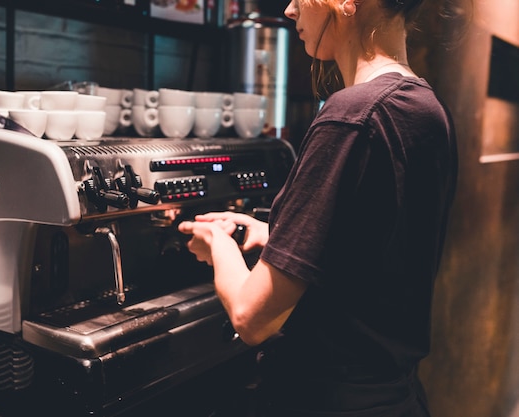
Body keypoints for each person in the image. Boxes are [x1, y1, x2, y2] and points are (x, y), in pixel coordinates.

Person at [177, 0, 459, 415]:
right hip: (395, 398)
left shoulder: (351, 114)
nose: (290, 10)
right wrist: (275, 235)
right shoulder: (426, 107)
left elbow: (252, 318)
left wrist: (218, 242)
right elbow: (376, 251)